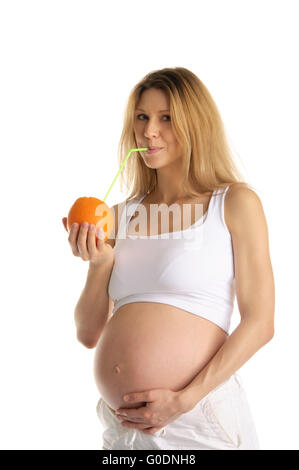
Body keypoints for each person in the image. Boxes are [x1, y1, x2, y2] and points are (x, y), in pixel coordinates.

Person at [63, 67, 275, 450]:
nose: (149, 132)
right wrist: (100, 264)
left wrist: (183, 400)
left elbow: (260, 323)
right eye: (142, 117)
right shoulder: (117, 215)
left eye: (166, 118)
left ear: (196, 125)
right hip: (125, 432)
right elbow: (87, 333)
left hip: (196, 418)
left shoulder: (234, 204)